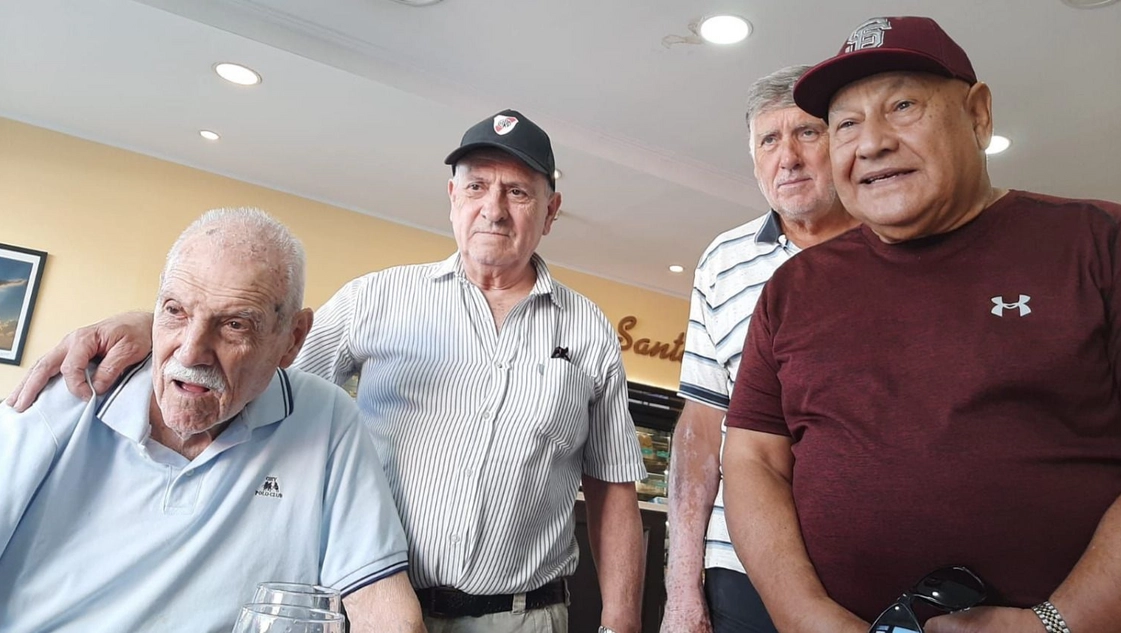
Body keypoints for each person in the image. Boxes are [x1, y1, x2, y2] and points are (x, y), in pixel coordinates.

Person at [7, 110, 648, 633]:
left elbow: (614, 486)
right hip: (367, 600)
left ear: (551, 209)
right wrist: (154, 329)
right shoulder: (377, 298)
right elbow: (256, 364)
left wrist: (619, 624)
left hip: (522, 616)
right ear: (452, 196)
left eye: (518, 192)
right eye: (477, 186)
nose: (494, 209)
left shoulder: (590, 332)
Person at [722, 15, 1121, 633]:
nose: (871, 144)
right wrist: (804, 616)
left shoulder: (1098, 243)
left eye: (902, 106)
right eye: (846, 124)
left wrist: (1059, 623)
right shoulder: (794, 288)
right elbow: (754, 457)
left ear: (979, 115)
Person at [0, 208, 421, 632]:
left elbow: (385, 613)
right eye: (175, 311)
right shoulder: (62, 397)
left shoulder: (326, 417)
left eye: (234, 325)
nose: (190, 352)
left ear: (292, 339)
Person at [659, 66, 857, 633]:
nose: (787, 157)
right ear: (754, 161)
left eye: (807, 133)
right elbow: (702, 427)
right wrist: (681, 586)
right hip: (739, 564)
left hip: (865, 559)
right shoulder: (722, 261)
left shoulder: (892, 242)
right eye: (769, 140)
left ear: (840, 141)